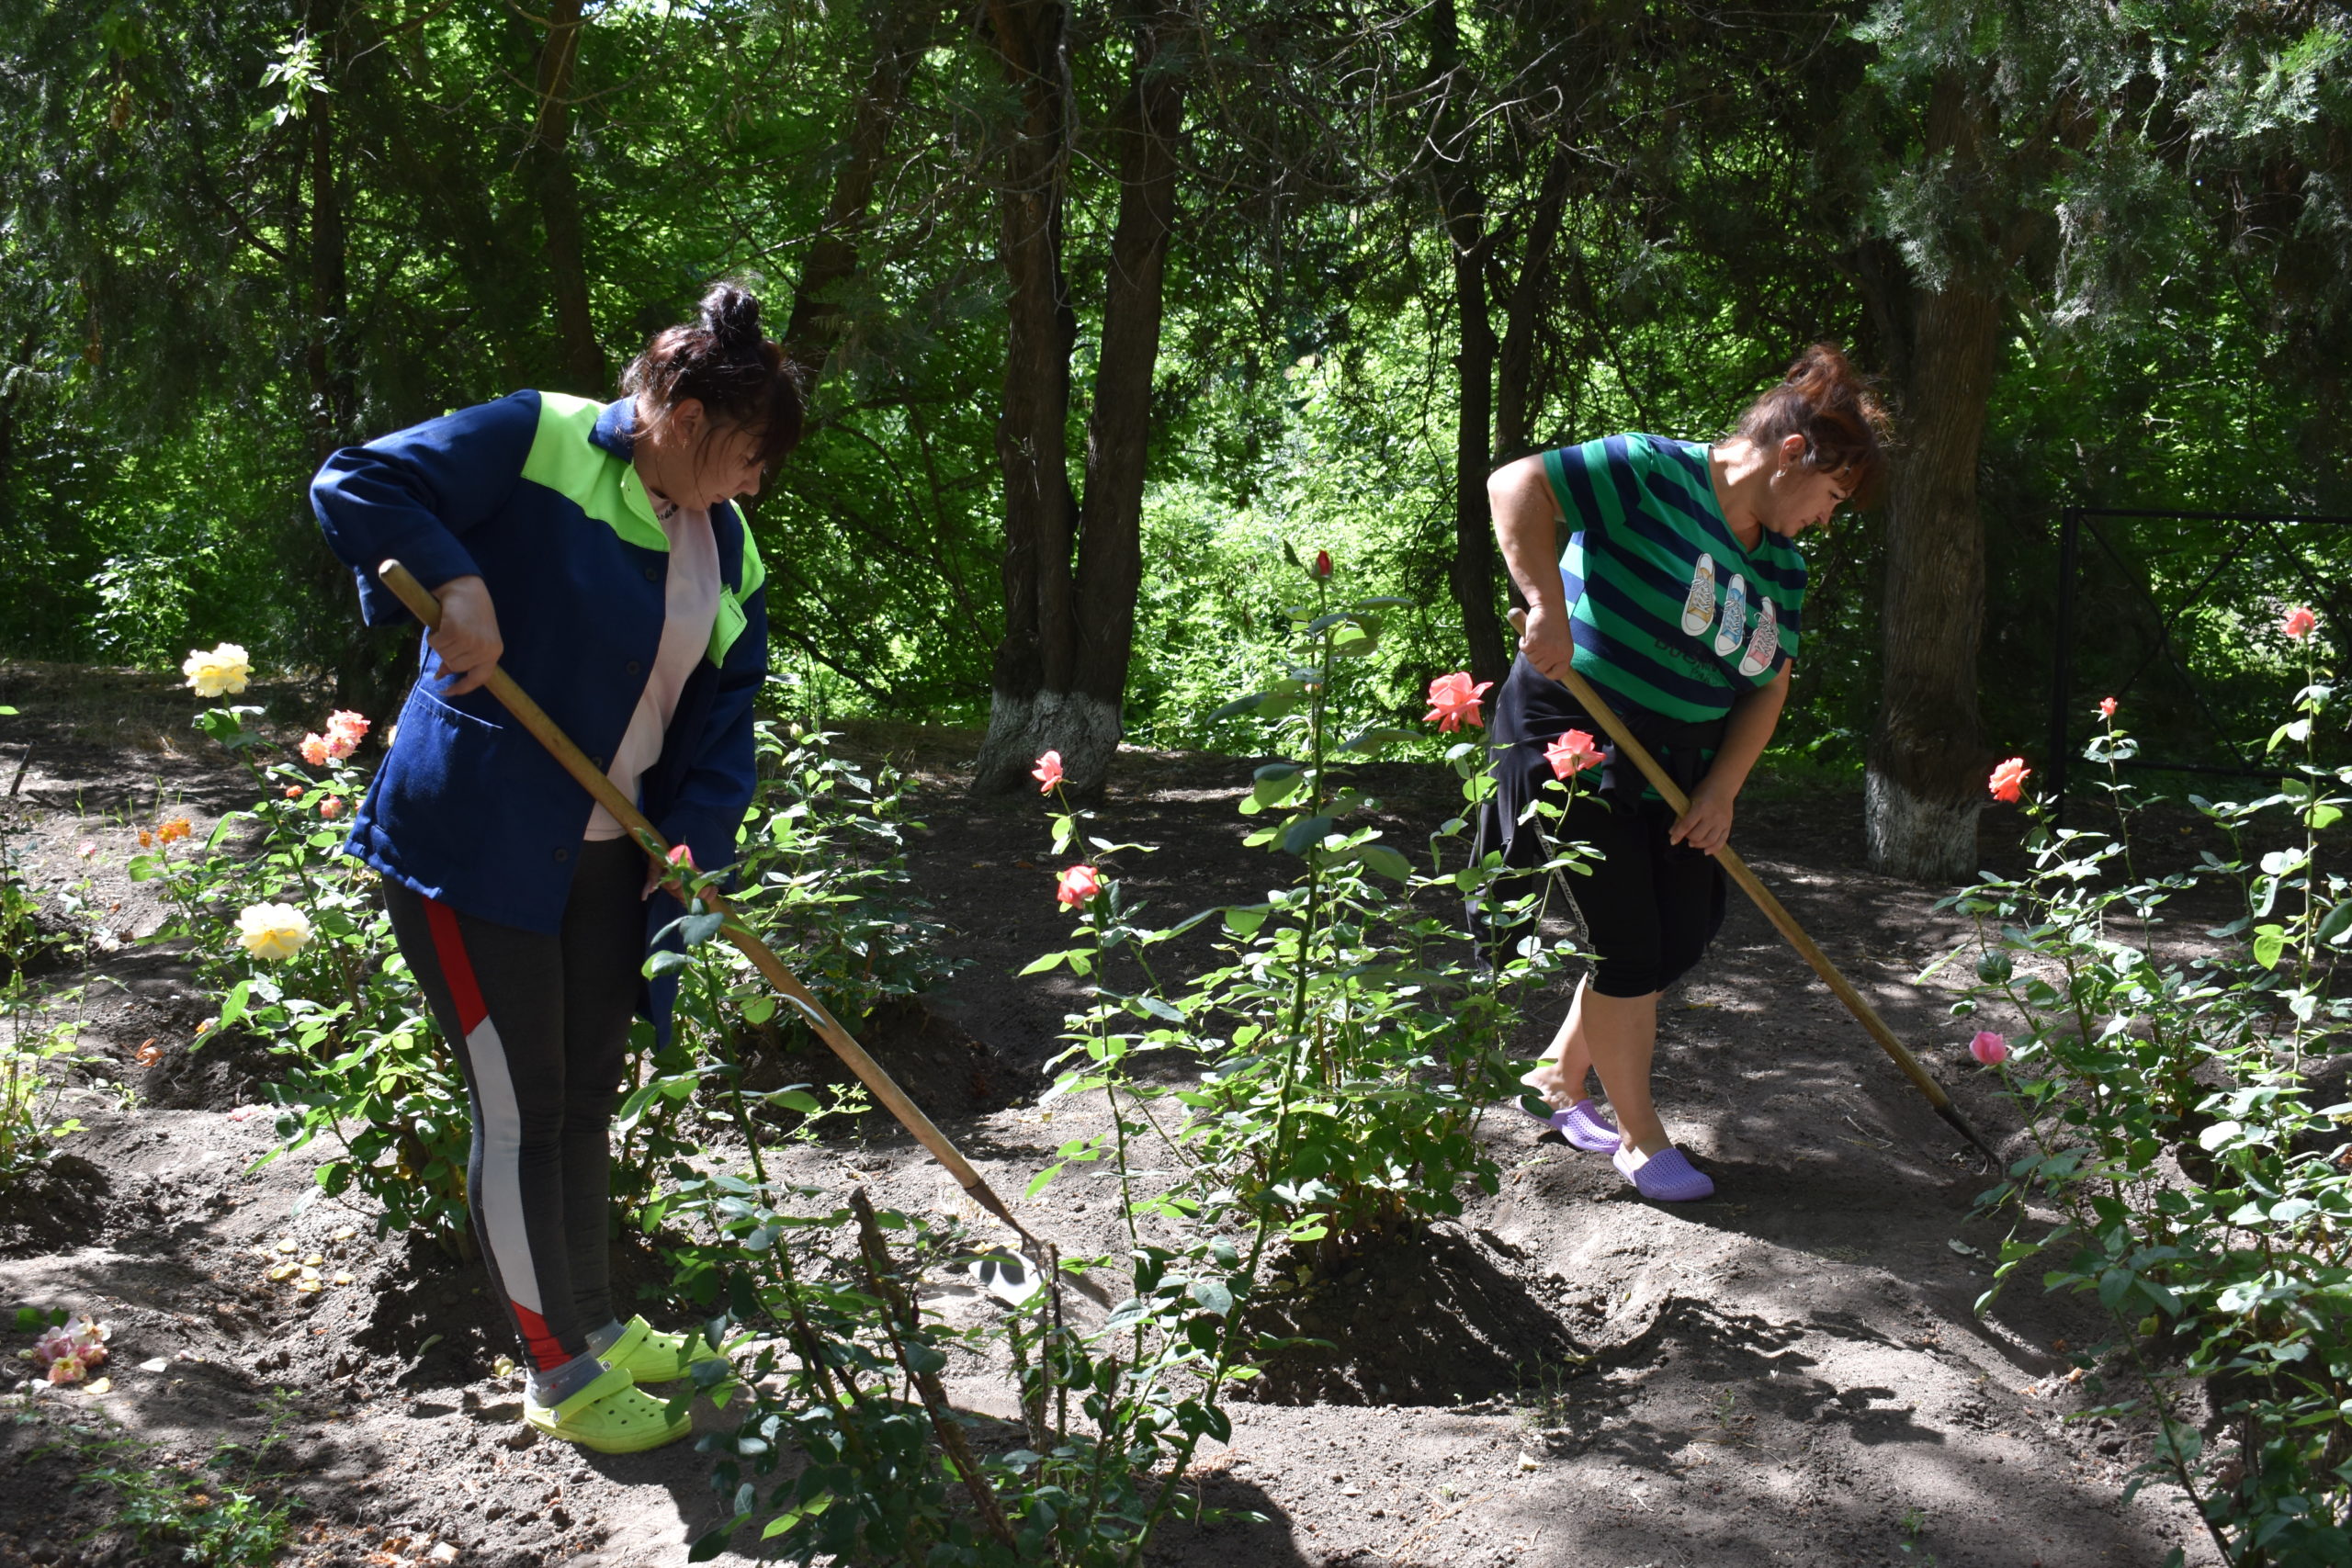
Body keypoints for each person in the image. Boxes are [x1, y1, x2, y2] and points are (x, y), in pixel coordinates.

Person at [310, 283, 801, 1450]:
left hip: (608, 861)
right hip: (473, 851)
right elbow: (358, 481)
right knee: (521, 1106)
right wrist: (459, 581)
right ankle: (560, 1373)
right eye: (742, 455)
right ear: (680, 416)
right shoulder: (537, 441)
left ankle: (596, 1318)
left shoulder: (726, 544)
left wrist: (693, 854)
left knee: (585, 1099)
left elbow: (727, 714)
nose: (752, 484)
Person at [1478, 344, 1885, 1202]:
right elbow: (1517, 484)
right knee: (1628, 939)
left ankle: (1556, 1077)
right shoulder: (1650, 471)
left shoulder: (1782, 566)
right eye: (1831, 497)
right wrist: (1547, 605)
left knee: (1683, 932)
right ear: (1793, 454)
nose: (1825, 520)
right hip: (1576, 730)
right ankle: (1639, 1137)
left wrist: (1722, 787)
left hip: (1680, 762)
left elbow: (1768, 685)